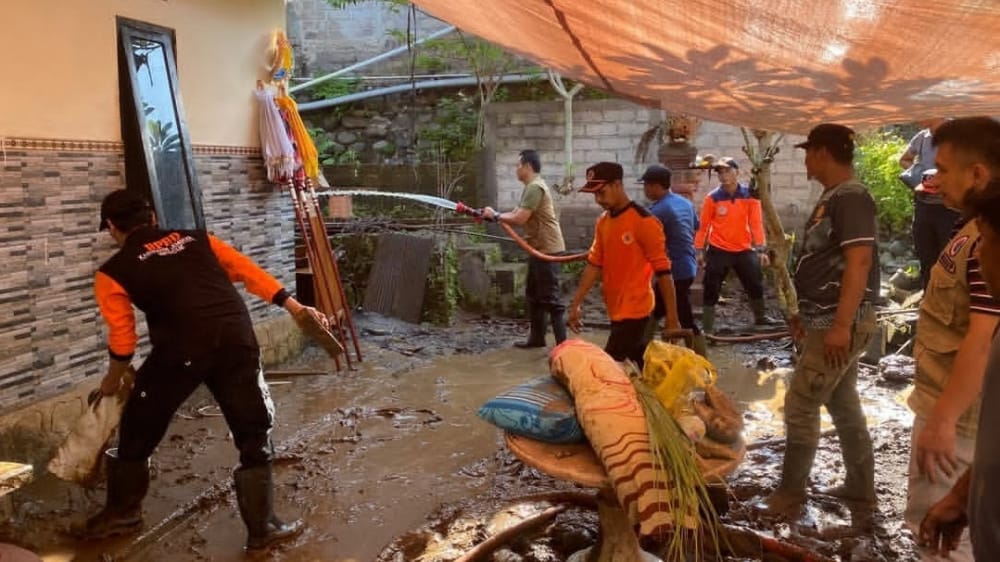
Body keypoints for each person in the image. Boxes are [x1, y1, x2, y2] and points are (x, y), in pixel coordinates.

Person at [80, 189, 326, 550]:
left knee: (137, 428)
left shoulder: (112, 272)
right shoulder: (197, 239)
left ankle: (122, 513)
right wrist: (293, 305)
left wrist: (112, 382)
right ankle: (264, 528)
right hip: (235, 339)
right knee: (253, 430)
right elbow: (247, 271)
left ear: (113, 227)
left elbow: (123, 342)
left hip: (179, 351)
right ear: (151, 219)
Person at [762, 124, 881, 517]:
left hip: (840, 320)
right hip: (825, 319)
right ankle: (860, 489)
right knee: (843, 401)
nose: (805, 159)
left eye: (808, 151)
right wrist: (804, 316)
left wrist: (841, 326)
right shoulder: (833, 197)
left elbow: (859, 262)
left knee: (800, 403)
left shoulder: (851, 198)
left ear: (824, 153)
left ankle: (790, 495)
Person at [904, 116, 1000, 561]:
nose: (933, 179)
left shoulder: (990, 241)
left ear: (977, 174)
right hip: (958, 415)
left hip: (958, 421)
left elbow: (982, 338)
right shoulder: (975, 229)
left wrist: (942, 420)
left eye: (942, 169)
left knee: (942, 544)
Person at [567, 162, 686, 367]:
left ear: (617, 185)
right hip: (615, 308)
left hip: (636, 309)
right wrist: (576, 304)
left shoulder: (645, 222)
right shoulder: (603, 222)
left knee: (609, 367)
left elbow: (664, 273)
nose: (598, 200)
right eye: (595, 195)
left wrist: (672, 319)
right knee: (637, 363)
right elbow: (594, 264)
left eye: (601, 193)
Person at [483, 150, 567, 348]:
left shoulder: (535, 187)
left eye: (517, 165)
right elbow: (515, 213)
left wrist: (495, 215)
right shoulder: (530, 187)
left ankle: (564, 347)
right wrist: (491, 214)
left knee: (551, 300)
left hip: (548, 250)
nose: (516, 169)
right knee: (534, 296)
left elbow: (519, 219)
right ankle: (537, 339)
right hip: (538, 249)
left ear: (528, 166)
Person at [694, 156, 773, 333]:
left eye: (728, 170)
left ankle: (761, 319)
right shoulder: (712, 198)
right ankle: (708, 328)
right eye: (720, 172)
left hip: (744, 249)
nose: (724, 175)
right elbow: (703, 226)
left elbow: (756, 223)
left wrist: (761, 249)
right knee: (711, 287)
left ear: (737, 172)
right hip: (718, 250)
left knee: (755, 283)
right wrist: (699, 250)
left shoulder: (749, 196)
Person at [640, 164, 706, 357]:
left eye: (646, 186)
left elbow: (645, 240)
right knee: (657, 309)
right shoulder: (684, 203)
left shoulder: (658, 210)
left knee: (682, 316)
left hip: (672, 271)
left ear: (655, 186)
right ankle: (641, 350)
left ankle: (702, 362)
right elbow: (695, 226)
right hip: (688, 265)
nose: (645, 190)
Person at [899, 118, 961, 289]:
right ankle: (929, 297)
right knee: (926, 254)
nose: (916, 116)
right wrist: (918, 176)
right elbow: (904, 159)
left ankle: (951, 302)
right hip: (925, 204)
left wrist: (946, 178)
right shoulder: (921, 137)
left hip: (952, 207)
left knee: (951, 257)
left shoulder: (959, 133)